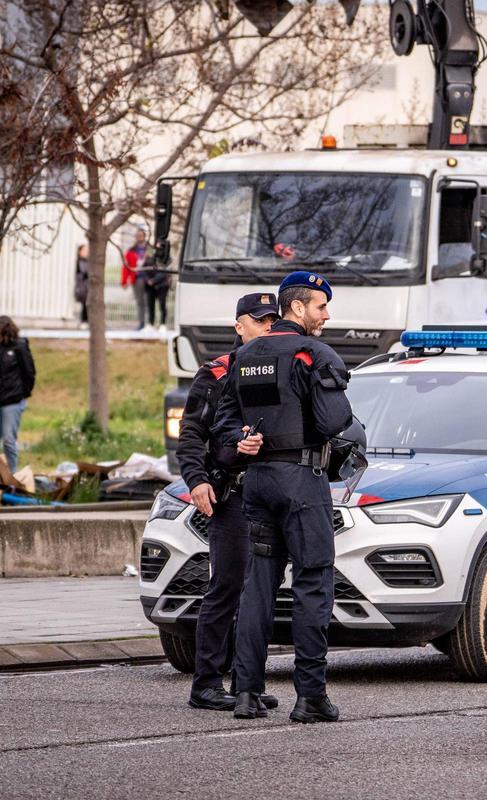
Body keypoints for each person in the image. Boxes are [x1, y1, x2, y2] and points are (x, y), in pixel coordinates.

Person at [213, 271, 353, 723]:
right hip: (301, 482)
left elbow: (224, 424)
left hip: (258, 481)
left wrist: (244, 440)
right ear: (297, 308)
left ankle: (247, 693)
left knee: (258, 586)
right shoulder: (313, 354)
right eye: (320, 306)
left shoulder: (246, 353)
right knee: (314, 581)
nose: (326, 315)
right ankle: (310, 696)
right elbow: (334, 422)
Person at [181, 292, 280, 712]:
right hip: (232, 493)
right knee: (227, 587)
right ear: (239, 326)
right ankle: (205, 684)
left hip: (269, 492)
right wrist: (197, 480)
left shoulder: (281, 369)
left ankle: (246, 685)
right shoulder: (218, 372)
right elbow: (191, 433)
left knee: (257, 593)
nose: (268, 327)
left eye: (273, 320)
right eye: (260, 320)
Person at [0, 316, 36, 473]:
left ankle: (12, 474)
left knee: (8, 440)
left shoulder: (20, 346)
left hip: (12, 400)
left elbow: (30, 373)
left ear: (2, 329)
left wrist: (21, 394)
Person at [123, 229, 148, 330]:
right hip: (137, 279)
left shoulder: (149, 249)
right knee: (140, 302)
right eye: (137, 236)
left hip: (150, 279)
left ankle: (150, 323)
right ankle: (142, 323)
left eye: (141, 235)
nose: (139, 237)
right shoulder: (131, 250)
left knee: (149, 302)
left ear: (144, 237)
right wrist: (124, 281)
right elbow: (126, 266)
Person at [139, 256, 171, 332]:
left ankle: (163, 324)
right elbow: (143, 270)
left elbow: (165, 271)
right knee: (150, 306)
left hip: (162, 286)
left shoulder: (165, 258)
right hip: (150, 287)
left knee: (162, 305)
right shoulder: (148, 259)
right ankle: (150, 324)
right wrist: (148, 280)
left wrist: (154, 280)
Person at [74, 244, 90, 328]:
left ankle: (85, 321)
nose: (86, 252)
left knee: (86, 305)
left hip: (87, 287)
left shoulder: (88, 261)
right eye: (84, 250)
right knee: (82, 305)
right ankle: (82, 321)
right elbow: (82, 274)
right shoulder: (78, 262)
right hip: (80, 287)